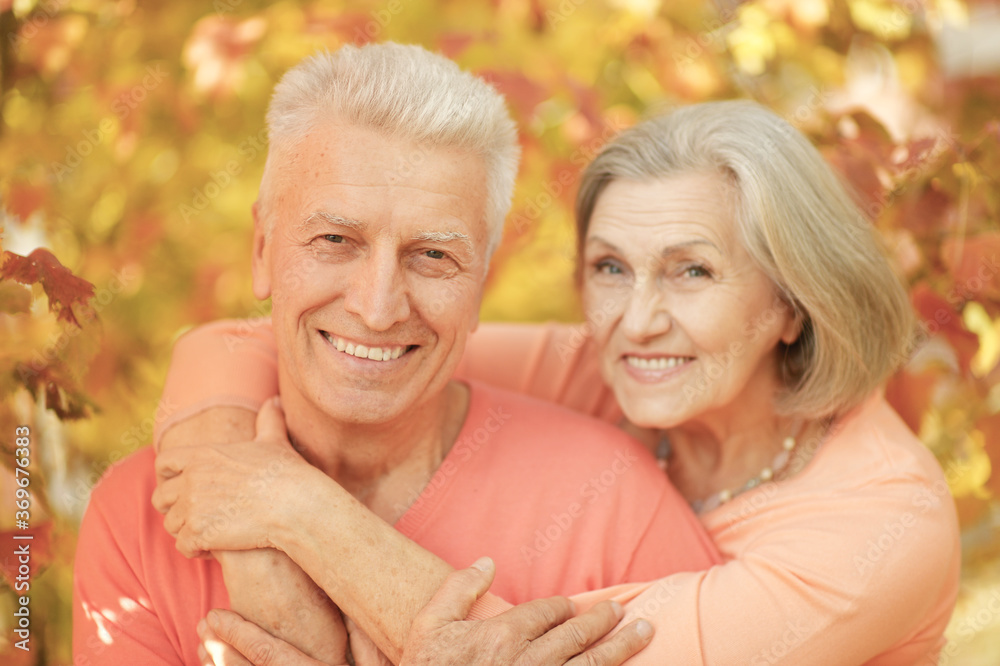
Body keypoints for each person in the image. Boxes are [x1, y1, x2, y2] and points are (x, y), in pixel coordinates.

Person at [152, 100, 961, 665]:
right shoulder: (619, 367)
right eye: (612, 267)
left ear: (792, 301)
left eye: (692, 271)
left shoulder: (881, 525)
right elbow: (252, 341)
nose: (637, 320)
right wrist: (236, 499)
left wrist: (297, 511)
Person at [72, 43, 724, 666]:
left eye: (433, 256)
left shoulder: (611, 507)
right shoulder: (144, 516)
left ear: (480, 288)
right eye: (335, 240)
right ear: (263, 251)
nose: (379, 307)